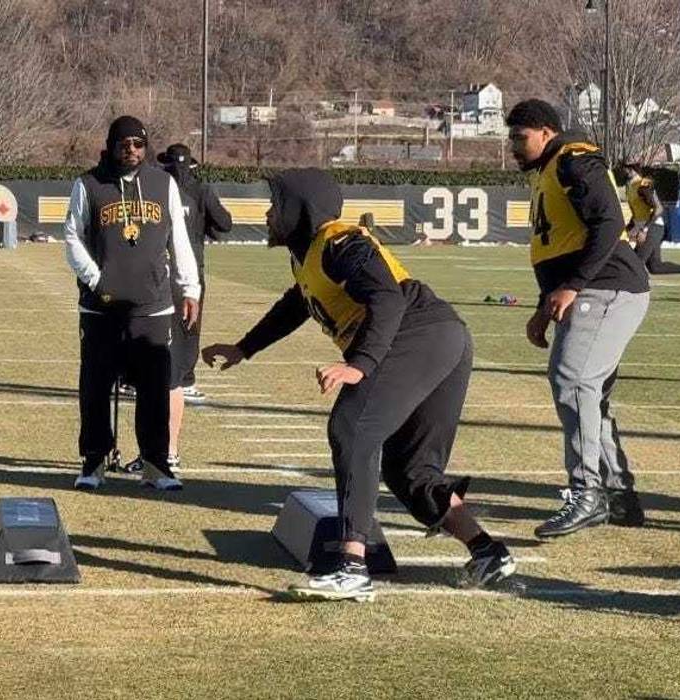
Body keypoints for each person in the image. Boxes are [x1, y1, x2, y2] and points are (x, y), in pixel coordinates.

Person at [202, 168, 514, 601]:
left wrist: (360, 364)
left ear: (300, 209)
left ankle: (352, 565)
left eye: (277, 203)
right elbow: (297, 304)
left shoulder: (339, 241)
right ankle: (486, 549)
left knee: (352, 427)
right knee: (410, 470)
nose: (270, 213)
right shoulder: (311, 255)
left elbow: (387, 297)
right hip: (442, 337)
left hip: (419, 331)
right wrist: (244, 347)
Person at [506, 99, 650, 539]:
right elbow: (559, 248)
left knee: (573, 380)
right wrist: (542, 306)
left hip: (607, 286)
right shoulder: (550, 171)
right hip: (595, 289)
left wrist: (572, 286)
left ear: (546, 132)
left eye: (520, 137)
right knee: (589, 393)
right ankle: (618, 495)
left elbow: (609, 223)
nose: (513, 145)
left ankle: (586, 492)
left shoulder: (574, 160)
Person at [62, 116, 201, 492]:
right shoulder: (88, 184)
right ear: (111, 145)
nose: (132, 151)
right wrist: (97, 279)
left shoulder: (163, 183)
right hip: (100, 307)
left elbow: (180, 239)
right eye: (124, 144)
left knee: (155, 387)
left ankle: (156, 465)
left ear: (146, 147)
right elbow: (72, 237)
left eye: (138, 145)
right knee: (95, 386)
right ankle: (94, 461)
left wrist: (191, 288)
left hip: (152, 306)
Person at [156, 143, 232, 473]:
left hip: (158, 272)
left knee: (156, 328)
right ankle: (184, 378)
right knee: (189, 328)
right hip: (192, 271)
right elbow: (224, 224)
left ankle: (145, 377)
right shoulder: (201, 189)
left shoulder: (156, 187)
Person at [617, 163, 680, 286]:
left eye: (626, 168)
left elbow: (658, 209)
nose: (624, 171)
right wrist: (627, 229)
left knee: (635, 262)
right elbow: (637, 213)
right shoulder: (630, 187)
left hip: (653, 227)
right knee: (655, 267)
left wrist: (645, 229)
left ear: (633, 169)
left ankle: (635, 289)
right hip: (646, 227)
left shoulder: (643, 185)